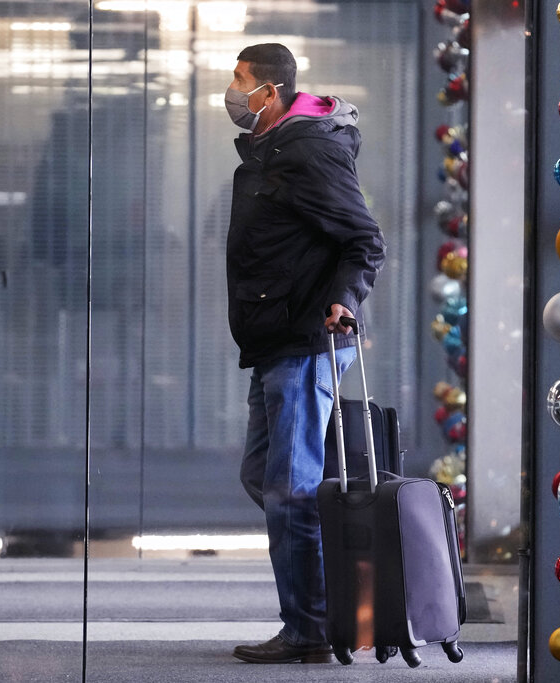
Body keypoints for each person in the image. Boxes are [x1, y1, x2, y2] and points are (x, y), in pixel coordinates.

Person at [223, 43, 386, 664]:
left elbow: (365, 240)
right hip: (275, 340)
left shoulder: (308, 148)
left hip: (306, 339)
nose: (232, 92)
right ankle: (325, 600)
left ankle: (310, 630)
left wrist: (344, 299)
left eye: (240, 80)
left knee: (291, 488)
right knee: (264, 479)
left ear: (270, 89)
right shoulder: (276, 146)